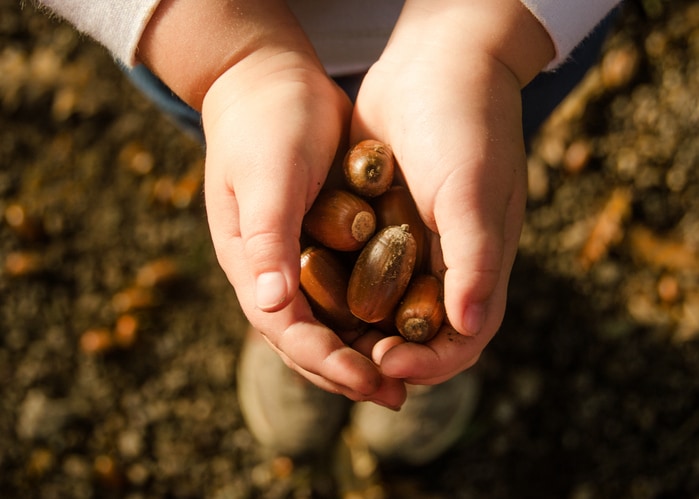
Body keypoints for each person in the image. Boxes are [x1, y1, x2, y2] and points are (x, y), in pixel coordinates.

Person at [38, 0, 622, 464]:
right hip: (199, 36)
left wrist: (480, 39)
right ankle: (302, 294)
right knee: (265, 175)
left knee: (472, 177)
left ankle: (421, 336)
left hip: (513, 35)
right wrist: (225, 59)